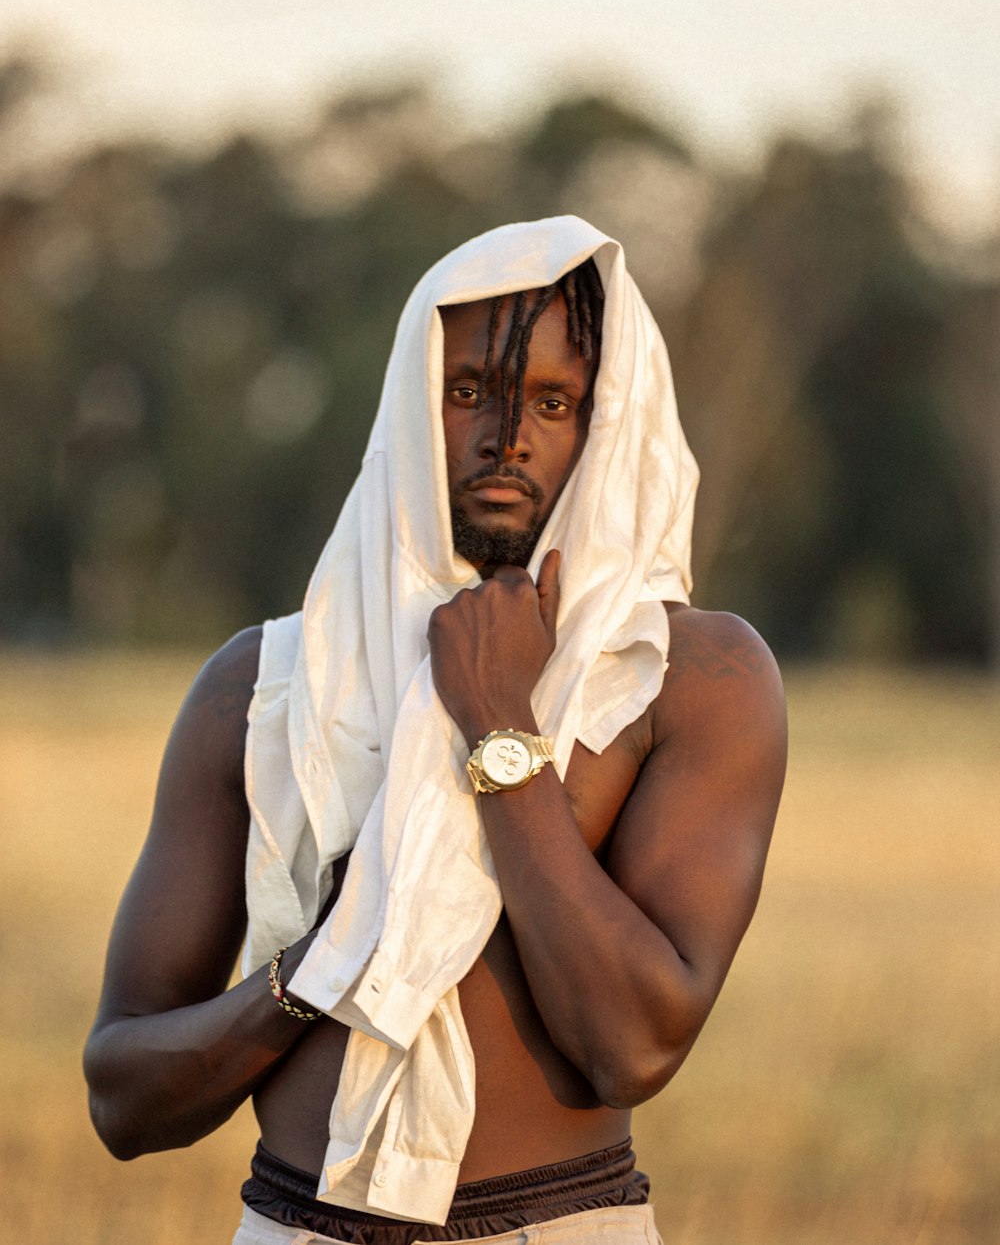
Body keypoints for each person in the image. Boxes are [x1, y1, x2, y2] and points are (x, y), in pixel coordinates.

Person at [84, 216, 787, 1245]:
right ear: (413, 408)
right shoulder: (264, 684)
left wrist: (498, 727)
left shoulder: (688, 677)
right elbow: (123, 1098)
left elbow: (632, 1045)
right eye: (469, 393)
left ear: (609, 423)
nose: (509, 436)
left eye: (554, 400)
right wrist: (313, 975)